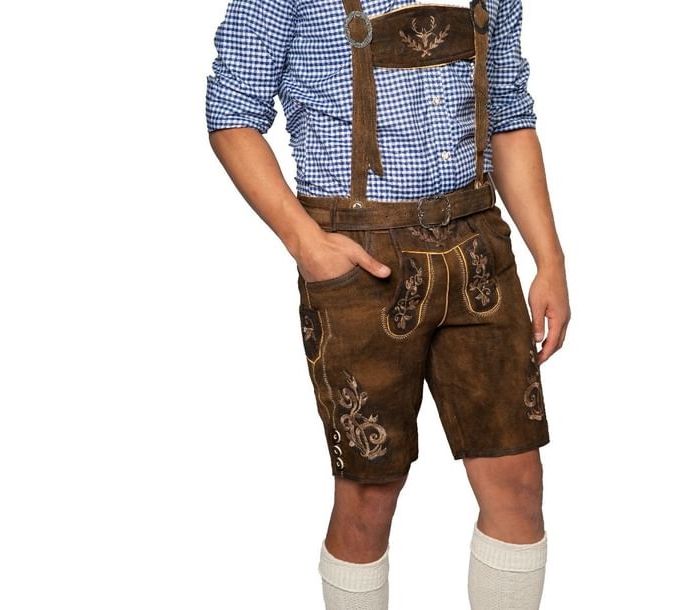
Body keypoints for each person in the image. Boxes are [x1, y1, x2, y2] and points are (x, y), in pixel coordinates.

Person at [205, 0, 570, 607]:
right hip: (360, 253)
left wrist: (549, 259)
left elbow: (509, 113)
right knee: (369, 493)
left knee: (517, 479)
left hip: (477, 243)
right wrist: (308, 244)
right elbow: (231, 114)